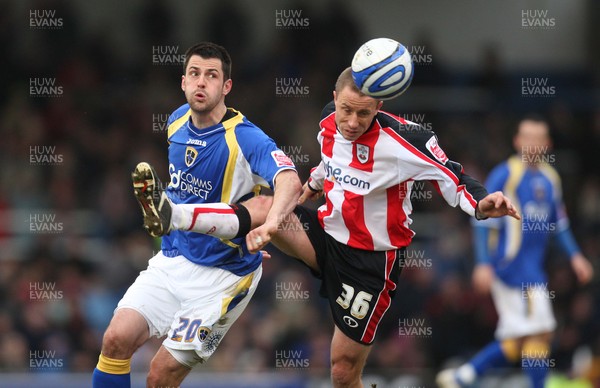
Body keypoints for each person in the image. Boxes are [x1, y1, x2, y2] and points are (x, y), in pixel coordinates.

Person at [140, 67, 520, 388]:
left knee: (342, 371)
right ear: (333, 97)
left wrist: (482, 204)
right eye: (346, 111)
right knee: (262, 204)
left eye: (364, 114)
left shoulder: (408, 139)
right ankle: (173, 215)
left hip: (370, 264)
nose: (353, 122)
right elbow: (330, 161)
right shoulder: (327, 122)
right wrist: (313, 184)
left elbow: (452, 175)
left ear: (379, 107)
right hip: (325, 236)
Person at [91, 42, 302, 388]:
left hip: (222, 278)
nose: (201, 82)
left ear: (226, 87)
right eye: (194, 74)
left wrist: (271, 225)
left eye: (212, 75)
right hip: (173, 259)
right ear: (183, 82)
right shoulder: (175, 122)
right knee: (116, 339)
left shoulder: (246, 138)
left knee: (159, 376)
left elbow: (290, 181)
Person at [436, 116, 594, 388]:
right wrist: (483, 263)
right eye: (527, 138)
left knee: (519, 339)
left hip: (533, 269)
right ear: (517, 141)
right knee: (540, 331)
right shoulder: (505, 174)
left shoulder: (550, 178)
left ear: (547, 144)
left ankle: (464, 376)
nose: (532, 144)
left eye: (538, 139)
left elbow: (560, 223)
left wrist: (576, 256)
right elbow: (481, 220)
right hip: (511, 268)